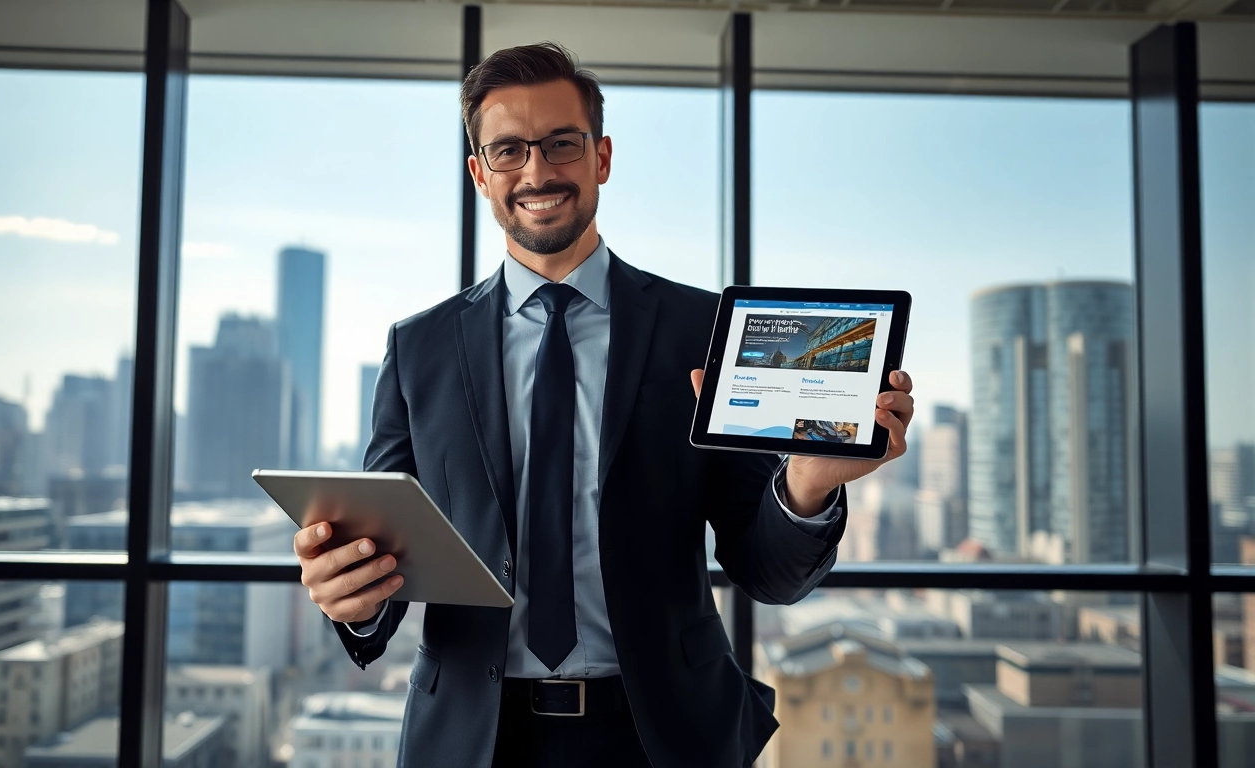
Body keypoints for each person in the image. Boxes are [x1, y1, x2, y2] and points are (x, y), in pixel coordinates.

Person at [293, 42, 915, 768]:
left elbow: (767, 572)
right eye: (508, 151)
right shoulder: (418, 349)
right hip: (471, 739)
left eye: (562, 143)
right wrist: (355, 598)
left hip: (662, 737)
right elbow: (391, 561)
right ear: (479, 174)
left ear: (602, 158)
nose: (537, 171)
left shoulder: (701, 329)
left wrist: (807, 485)